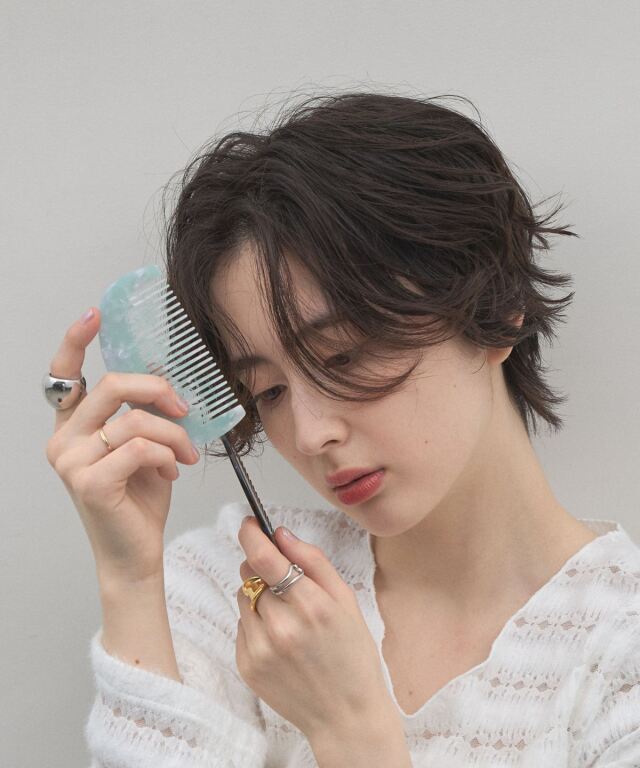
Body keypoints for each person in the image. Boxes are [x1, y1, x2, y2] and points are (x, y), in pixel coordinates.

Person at [44, 92, 640, 767]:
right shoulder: (227, 593)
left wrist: (351, 731)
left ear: (497, 310)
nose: (309, 435)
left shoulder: (619, 655)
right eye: (268, 391)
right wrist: (129, 581)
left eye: (344, 357)